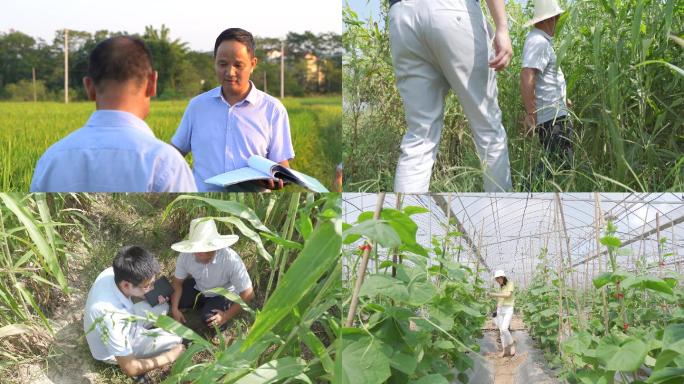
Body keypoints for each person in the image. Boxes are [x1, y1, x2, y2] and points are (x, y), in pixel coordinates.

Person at [30, 36, 196, 192]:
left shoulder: (51, 159)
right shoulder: (165, 163)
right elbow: (190, 222)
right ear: (152, 83)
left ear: (89, 87)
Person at [388, 0, 513, 193]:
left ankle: (406, 221)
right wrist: (502, 28)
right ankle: (501, 218)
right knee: (488, 131)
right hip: (450, 10)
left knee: (420, 137)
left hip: (401, 17)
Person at [171, 28, 295, 192]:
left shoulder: (273, 110)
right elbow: (175, 153)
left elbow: (280, 163)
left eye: (238, 65)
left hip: (251, 204)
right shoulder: (197, 106)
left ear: (252, 64)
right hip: (203, 199)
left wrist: (277, 178)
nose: (230, 72)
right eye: (222, 64)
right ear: (214, 62)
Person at [83, 246, 185, 380]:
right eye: (147, 285)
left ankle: (146, 337)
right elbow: (130, 368)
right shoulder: (112, 317)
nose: (151, 288)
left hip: (127, 319)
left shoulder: (112, 273)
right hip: (113, 348)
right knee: (177, 341)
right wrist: (169, 356)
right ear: (126, 285)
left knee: (163, 306)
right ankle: (141, 355)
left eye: (152, 283)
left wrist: (147, 294)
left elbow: (132, 293)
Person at [170, 218, 255, 334]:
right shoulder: (185, 256)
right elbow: (177, 282)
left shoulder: (231, 259)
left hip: (222, 293)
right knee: (173, 298)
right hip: (198, 287)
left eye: (209, 253)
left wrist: (225, 316)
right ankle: (202, 305)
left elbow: (248, 294)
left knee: (211, 320)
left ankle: (217, 322)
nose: (203, 256)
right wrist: (174, 309)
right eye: (199, 252)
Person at [520, 0, 573, 171]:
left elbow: (544, 79)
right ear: (548, 19)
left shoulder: (541, 41)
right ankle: (525, 192)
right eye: (556, 18)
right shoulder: (538, 42)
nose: (557, 23)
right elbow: (527, 75)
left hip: (556, 114)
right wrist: (531, 113)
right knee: (559, 164)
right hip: (552, 118)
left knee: (559, 163)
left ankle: (527, 192)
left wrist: (564, 98)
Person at [488, 269, 516, 357]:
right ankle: (504, 351)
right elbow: (500, 299)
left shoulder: (510, 283)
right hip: (500, 309)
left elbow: (508, 295)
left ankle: (512, 345)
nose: (497, 281)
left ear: (502, 277)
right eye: (496, 279)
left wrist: (494, 294)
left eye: (497, 279)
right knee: (501, 331)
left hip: (508, 309)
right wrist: (496, 310)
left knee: (504, 329)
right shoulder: (501, 286)